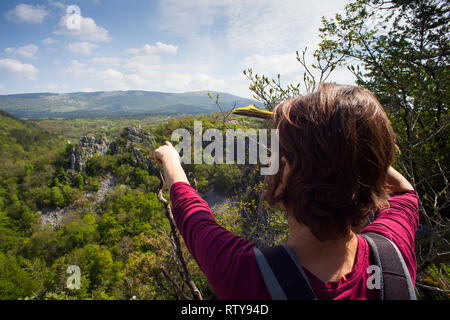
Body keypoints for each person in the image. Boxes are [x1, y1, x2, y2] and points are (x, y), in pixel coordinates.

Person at [154, 83, 419, 300]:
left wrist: (171, 160)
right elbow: (405, 193)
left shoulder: (246, 276)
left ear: (286, 173)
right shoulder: (392, 254)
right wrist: (351, 148)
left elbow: (193, 216)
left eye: (276, 152)